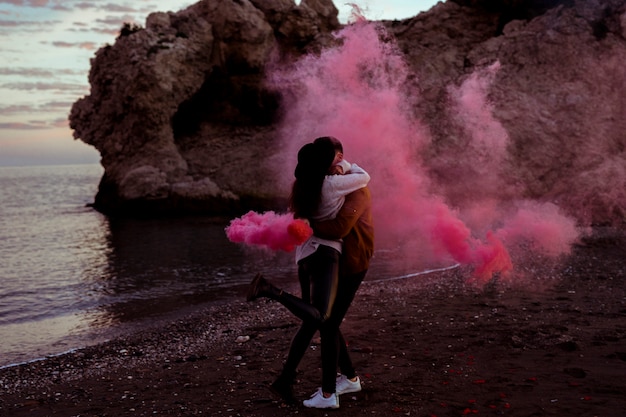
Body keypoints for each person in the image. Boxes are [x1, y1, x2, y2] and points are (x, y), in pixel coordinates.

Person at [246, 137, 370, 409]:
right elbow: (363, 178)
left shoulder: (303, 186)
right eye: (335, 158)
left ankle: (324, 378)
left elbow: (297, 218)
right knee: (323, 318)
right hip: (326, 254)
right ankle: (328, 394)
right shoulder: (333, 184)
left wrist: (307, 225)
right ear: (330, 161)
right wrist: (344, 165)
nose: (339, 161)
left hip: (303, 254)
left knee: (317, 320)